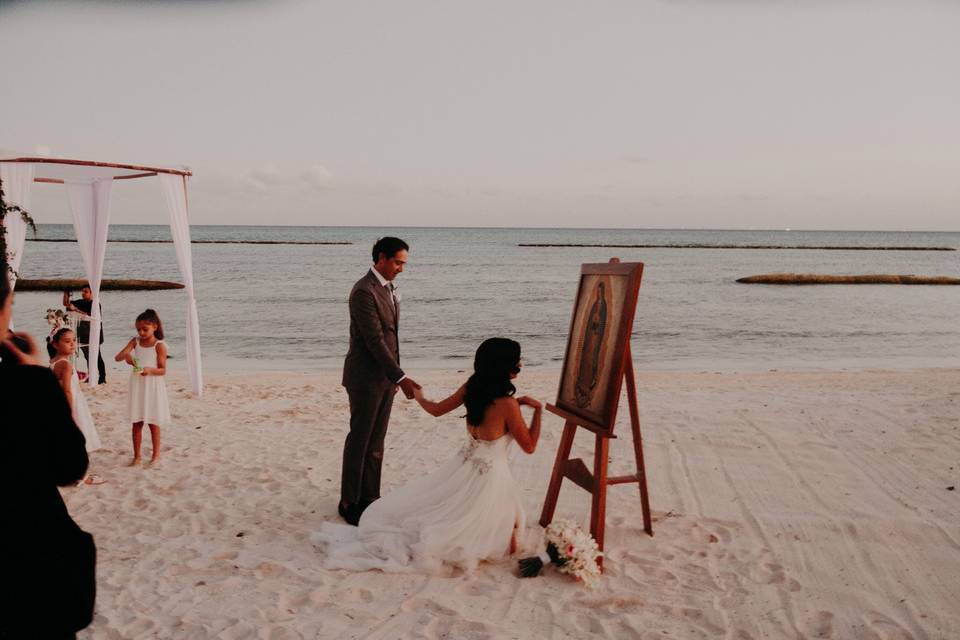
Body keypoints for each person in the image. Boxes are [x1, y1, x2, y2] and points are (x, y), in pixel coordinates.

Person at [314, 338, 543, 574]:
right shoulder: (507, 404)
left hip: (463, 469)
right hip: (490, 480)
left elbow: (436, 410)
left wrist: (421, 397)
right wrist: (538, 411)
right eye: (516, 361)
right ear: (504, 366)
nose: (520, 365)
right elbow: (530, 446)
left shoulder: (472, 389)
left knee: (500, 521)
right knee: (504, 534)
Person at [0, 264, 97, 638]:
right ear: (5, 308)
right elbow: (71, 466)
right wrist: (31, 376)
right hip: (25, 561)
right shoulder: (27, 385)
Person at [339, 237, 421, 525]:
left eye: (404, 263)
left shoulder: (389, 289)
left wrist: (394, 375)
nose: (401, 268)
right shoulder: (364, 291)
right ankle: (349, 501)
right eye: (398, 262)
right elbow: (374, 340)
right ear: (382, 258)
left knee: (377, 441)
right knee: (360, 440)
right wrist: (402, 376)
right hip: (363, 377)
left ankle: (370, 498)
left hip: (385, 378)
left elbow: (391, 337)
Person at [114, 309, 170, 467]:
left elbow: (163, 370)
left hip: (152, 384)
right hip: (137, 384)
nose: (141, 332)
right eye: (138, 329)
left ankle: (156, 455)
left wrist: (149, 370)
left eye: (145, 329)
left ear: (155, 327)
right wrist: (128, 356)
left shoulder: (159, 345)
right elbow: (117, 357)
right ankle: (137, 456)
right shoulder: (135, 341)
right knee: (136, 422)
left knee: (153, 422)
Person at [49, 327, 105, 460]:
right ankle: (82, 474)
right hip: (72, 403)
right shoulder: (65, 364)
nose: (73, 344)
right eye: (67, 341)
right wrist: (71, 412)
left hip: (60, 403)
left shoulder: (53, 362)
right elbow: (67, 390)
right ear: (55, 344)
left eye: (74, 340)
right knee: (79, 436)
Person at [63, 285, 107, 384]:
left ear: (92, 293)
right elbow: (66, 304)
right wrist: (66, 292)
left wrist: (76, 310)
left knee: (97, 356)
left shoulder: (96, 304)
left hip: (94, 333)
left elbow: (91, 316)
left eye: (85, 291)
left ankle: (102, 377)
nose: (83, 293)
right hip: (83, 333)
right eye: (82, 291)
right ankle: (91, 376)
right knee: (87, 356)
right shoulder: (80, 302)